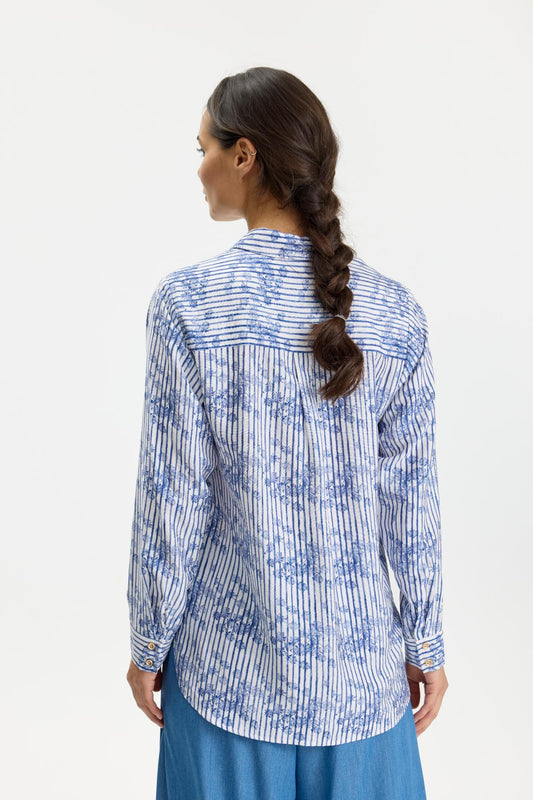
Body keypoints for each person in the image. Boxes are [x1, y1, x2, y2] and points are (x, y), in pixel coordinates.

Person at [126, 66, 449, 800]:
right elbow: (412, 504)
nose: (199, 169)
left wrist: (149, 640)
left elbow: (172, 496)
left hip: (224, 681)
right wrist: (425, 641)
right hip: (363, 686)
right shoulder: (397, 314)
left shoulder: (188, 305)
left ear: (244, 155)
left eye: (204, 148)